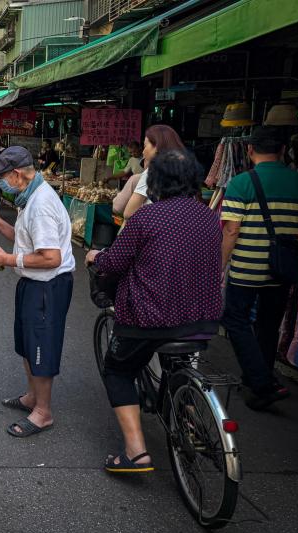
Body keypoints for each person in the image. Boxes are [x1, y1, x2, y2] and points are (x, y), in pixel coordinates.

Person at [86, 150, 222, 471]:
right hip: (200, 318)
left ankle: (135, 452)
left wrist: (95, 257)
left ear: (156, 181)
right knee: (176, 365)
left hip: (151, 318)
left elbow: (115, 262)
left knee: (118, 370)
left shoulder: (147, 217)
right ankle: (189, 419)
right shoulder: (208, 217)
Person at [0, 147, 75, 438]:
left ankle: (43, 412)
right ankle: (33, 397)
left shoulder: (41, 203)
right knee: (28, 341)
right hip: (33, 282)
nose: (1, 184)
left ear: (16, 174)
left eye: (2, 178)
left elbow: (50, 258)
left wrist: (7, 260)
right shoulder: (29, 197)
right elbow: (26, 240)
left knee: (41, 346)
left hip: (47, 284)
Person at [221, 127, 298, 410]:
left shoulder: (241, 183)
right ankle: (257, 380)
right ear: (283, 150)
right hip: (283, 271)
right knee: (269, 326)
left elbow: (231, 231)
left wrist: (219, 267)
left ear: (249, 151)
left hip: (246, 269)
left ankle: (260, 380)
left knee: (235, 320)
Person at [123, 125, 186, 219]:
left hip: (158, 228)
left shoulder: (152, 172)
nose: (143, 151)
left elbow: (128, 213)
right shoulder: (184, 169)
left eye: (145, 146)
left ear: (157, 147)